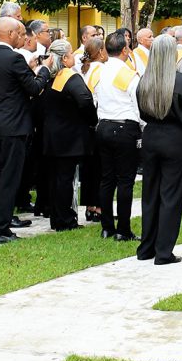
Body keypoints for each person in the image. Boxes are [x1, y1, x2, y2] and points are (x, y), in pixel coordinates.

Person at [0, 18, 53, 243]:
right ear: (11, 34)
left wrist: (28, 70)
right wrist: (44, 70)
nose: (24, 38)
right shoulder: (14, 58)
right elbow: (34, 88)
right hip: (13, 125)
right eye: (22, 34)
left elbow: (9, 84)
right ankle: (2, 229)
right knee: (9, 177)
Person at [136, 36, 182, 265]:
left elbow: (142, 112)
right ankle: (163, 252)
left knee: (150, 194)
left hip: (151, 137)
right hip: (176, 139)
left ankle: (146, 248)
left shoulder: (144, 81)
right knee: (171, 196)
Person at [41, 39, 98, 231]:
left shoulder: (48, 76)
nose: (74, 56)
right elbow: (85, 100)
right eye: (71, 53)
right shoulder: (70, 77)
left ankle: (57, 218)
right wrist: (92, 120)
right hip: (69, 137)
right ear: (64, 58)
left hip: (51, 135)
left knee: (55, 178)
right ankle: (66, 220)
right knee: (65, 179)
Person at [94, 30, 142, 241]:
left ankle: (107, 227)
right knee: (125, 180)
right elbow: (138, 103)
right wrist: (142, 125)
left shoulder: (99, 71)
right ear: (124, 50)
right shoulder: (126, 73)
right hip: (124, 127)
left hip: (103, 125)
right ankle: (123, 229)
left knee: (107, 179)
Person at [80, 36, 107, 222]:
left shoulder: (85, 68)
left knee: (90, 167)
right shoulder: (101, 70)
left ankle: (90, 206)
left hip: (86, 122)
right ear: (100, 52)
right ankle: (98, 207)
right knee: (100, 167)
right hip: (98, 119)